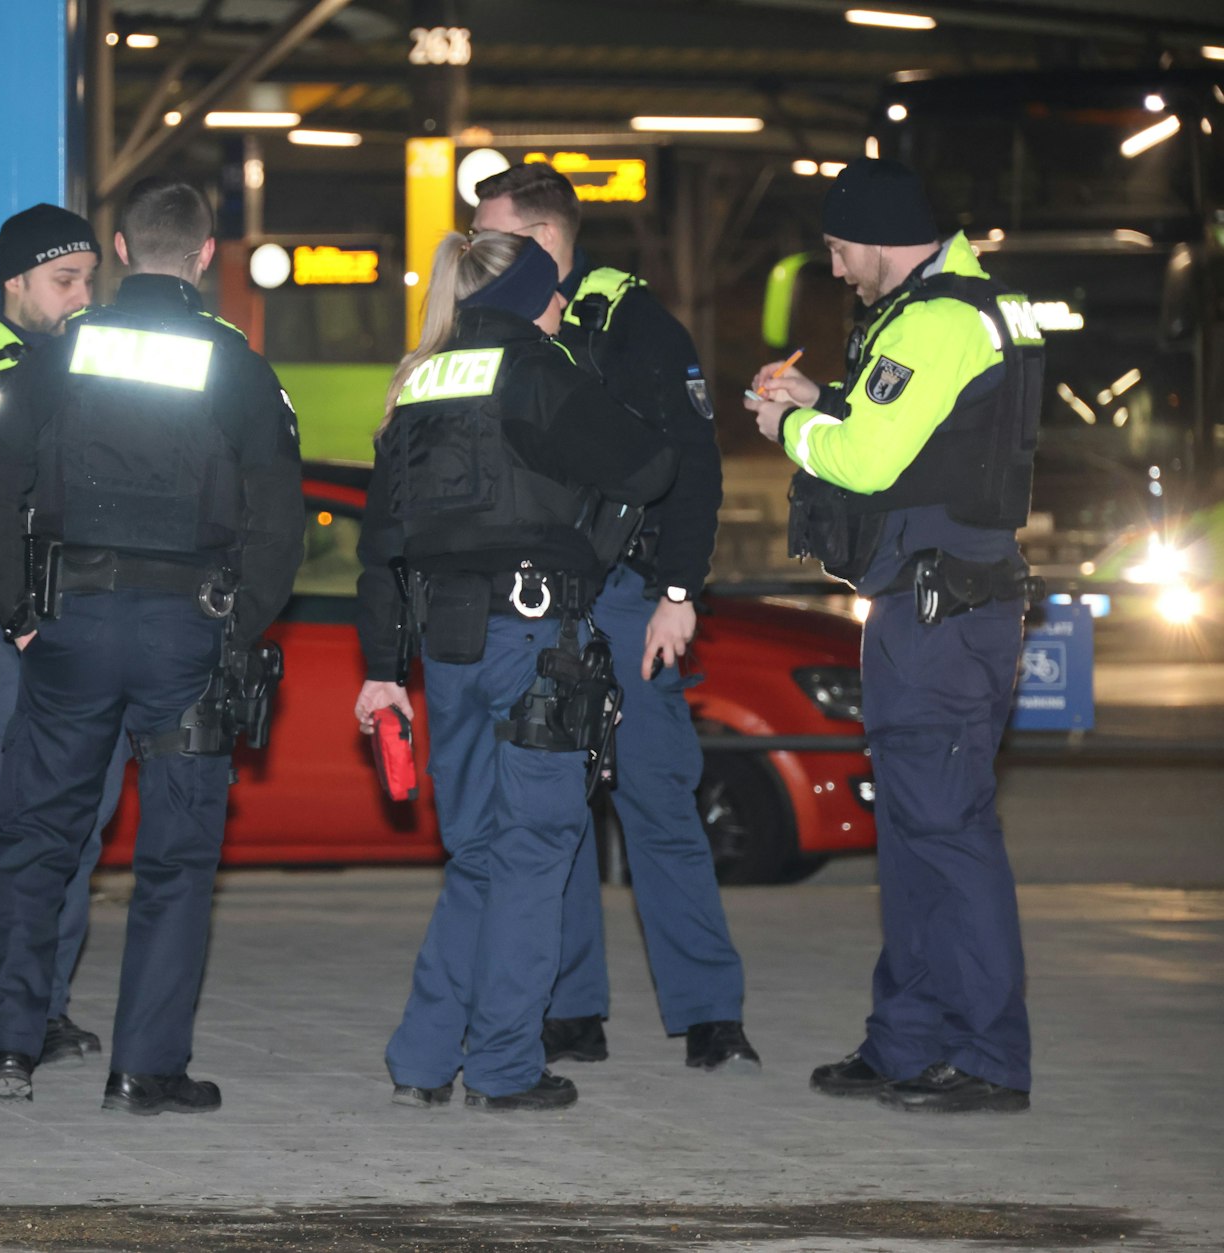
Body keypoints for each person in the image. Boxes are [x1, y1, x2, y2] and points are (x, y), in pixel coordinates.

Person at [0, 175, 303, 1113]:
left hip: (69, 625)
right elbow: (281, 521)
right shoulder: (237, 365)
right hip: (183, 635)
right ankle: (142, 1069)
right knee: (175, 857)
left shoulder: (62, 352)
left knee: (37, 839)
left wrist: (19, 614)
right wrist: (233, 628)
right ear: (205, 257)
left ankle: (6, 1052)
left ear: (119, 252)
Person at [744, 158, 1041, 1114]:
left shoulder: (937, 321)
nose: (837, 269)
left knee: (947, 834)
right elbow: (921, 441)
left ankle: (989, 1057)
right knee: (915, 833)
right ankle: (908, 1040)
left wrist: (787, 430)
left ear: (874, 235)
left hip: (939, 616)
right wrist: (812, 401)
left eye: (838, 250)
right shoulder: (964, 311)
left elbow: (868, 462)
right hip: (932, 607)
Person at [355, 231, 677, 1112]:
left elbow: (378, 548)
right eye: (558, 296)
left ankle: (423, 1059)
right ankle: (502, 1065)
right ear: (536, 297)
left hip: (445, 647)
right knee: (536, 849)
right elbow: (653, 464)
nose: (564, 308)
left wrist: (382, 669)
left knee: (477, 855)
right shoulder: (539, 369)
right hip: (535, 643)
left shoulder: (418, 382)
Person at [471, 162, 757, 1073]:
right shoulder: (502, 328)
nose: (482, 251)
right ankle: (570, 1009)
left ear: (546, 238)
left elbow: (695, 465)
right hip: (543, 600)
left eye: (497, 234)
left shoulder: (633, 324)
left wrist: (679, 593)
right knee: (552, 806)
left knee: (656, 802)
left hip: (632, 599)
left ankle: (711, 1015)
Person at [0, 203, 127, 1067]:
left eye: (89, 277)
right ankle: (13, 1007)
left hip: (81, 622)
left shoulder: (96, 358)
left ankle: (43, 1007)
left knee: (77, 825)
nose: (81, 295)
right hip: (1, 633)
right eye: (63, 280)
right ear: (13, 280)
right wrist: (9, 614)